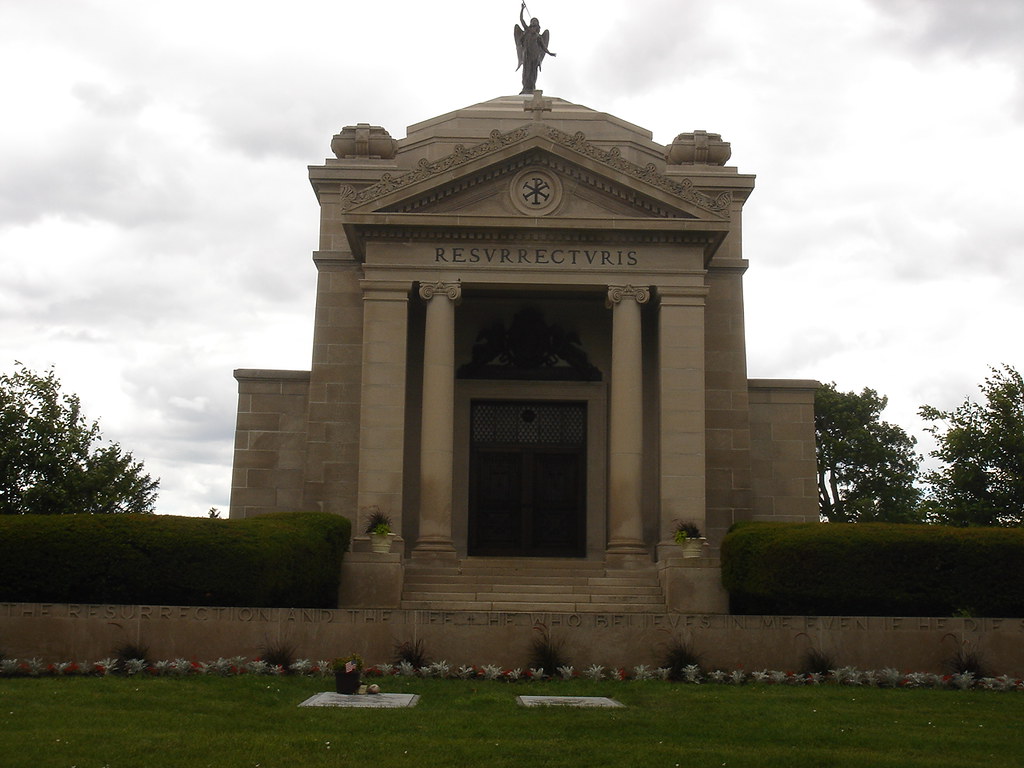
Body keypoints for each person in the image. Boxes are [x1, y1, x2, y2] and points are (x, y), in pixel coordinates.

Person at [514, 3, 556, 94]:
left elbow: (543, 47)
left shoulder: (538, 36)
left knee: (533, 73)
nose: (534, 22)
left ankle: (532, 87)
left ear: (537, 25)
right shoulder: (527, 30)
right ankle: (525, 87)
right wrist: (522, 9)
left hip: (535, 56)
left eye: (535, 21)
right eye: (532, 21)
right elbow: (521, 20)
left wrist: (550, 53)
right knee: (526, 72)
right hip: (527, 55)